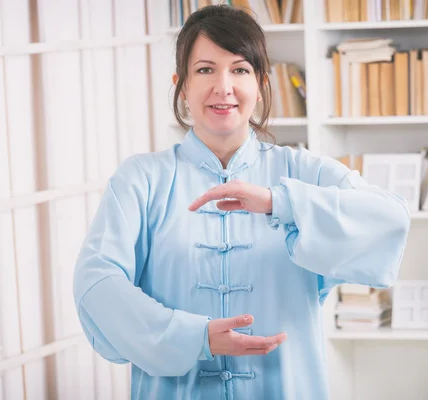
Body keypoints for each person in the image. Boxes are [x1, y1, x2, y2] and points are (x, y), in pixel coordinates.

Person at [73, 4, 410, 400]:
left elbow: (391, 220)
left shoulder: (303, 171)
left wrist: (278, 203)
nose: (223, 86)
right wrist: (192, 337)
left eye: (240, 69)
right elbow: (95, 282)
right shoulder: (141, 180)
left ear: (261, 83)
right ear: (181, 84)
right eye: (205, 69)